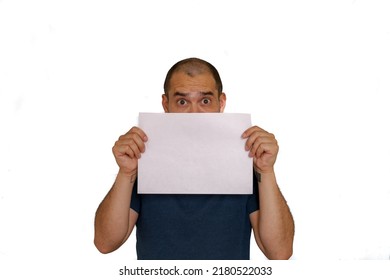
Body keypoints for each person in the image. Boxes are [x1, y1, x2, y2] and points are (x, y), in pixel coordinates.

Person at [94, 58, 294, 260]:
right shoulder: (144, 162)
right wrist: (126, 172)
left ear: (221, 102)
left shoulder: (245, 164)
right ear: (166, 104)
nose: (194, 113)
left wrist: (266, 171)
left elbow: (279, 253)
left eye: (205, 101)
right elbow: (105, 243)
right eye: (182, 102)